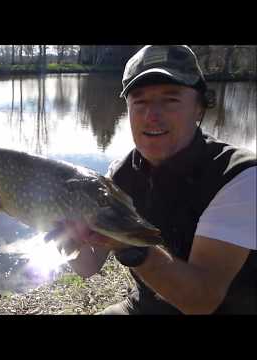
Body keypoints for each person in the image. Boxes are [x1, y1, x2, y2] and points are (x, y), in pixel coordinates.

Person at [62, 45, 256, 314]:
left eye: (170, 99)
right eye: (139, 101)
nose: (151, 115)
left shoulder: (239, 176)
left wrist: (129, 245)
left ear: (199, 108)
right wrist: (45, 214)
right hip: (143, 307)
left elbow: (201, 301)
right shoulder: (120, 175)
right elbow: (87, 265)